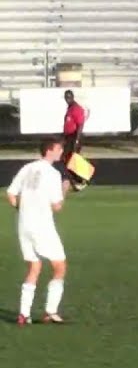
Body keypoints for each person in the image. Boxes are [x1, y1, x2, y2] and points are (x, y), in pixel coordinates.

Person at [7, 139, 69, 325]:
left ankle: (24, 314)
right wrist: (65, 189)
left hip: (24, 225)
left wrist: (25, 209)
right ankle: (50, 311)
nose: (61, 152)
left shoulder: (27, 168)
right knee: (60, 266)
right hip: (42, 226)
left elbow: (11, 195)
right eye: (59, 149)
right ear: (49, 150)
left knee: (34, 267)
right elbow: (57, 206)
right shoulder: (52, 174)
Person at [61, 90, 87, 193]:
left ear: (72, 97)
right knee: (68, 159)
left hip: (74, 137)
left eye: (69, 97)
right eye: (66, 97)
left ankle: (80, 180)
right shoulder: (70, 108)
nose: (67, 99)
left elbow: (80, 125)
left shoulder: (77, 108)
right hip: (68, 137)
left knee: (71, 159)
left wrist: (77, 140)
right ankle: (77, 181)